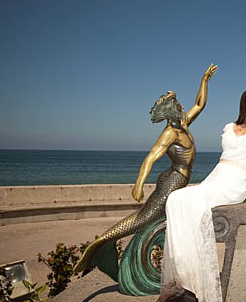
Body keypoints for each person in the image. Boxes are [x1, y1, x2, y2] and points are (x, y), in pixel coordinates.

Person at [148, 86, 246, 302]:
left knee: (187, 201)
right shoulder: (230, 127)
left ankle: (181, 284)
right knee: (177, 199)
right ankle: (177, 279)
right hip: (215, 177)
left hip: (235, 183)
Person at [73, 64, 218, 279]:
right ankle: (100, 244)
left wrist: (204, 80)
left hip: (174, 178)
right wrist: (139, 183)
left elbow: (200, 104)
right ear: (171, 111)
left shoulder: (184, 124)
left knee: (158, 220)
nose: (181, 105)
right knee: (144, 218)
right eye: (177, 104)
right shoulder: (170, 133)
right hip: (174, 180)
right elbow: (151, 156)